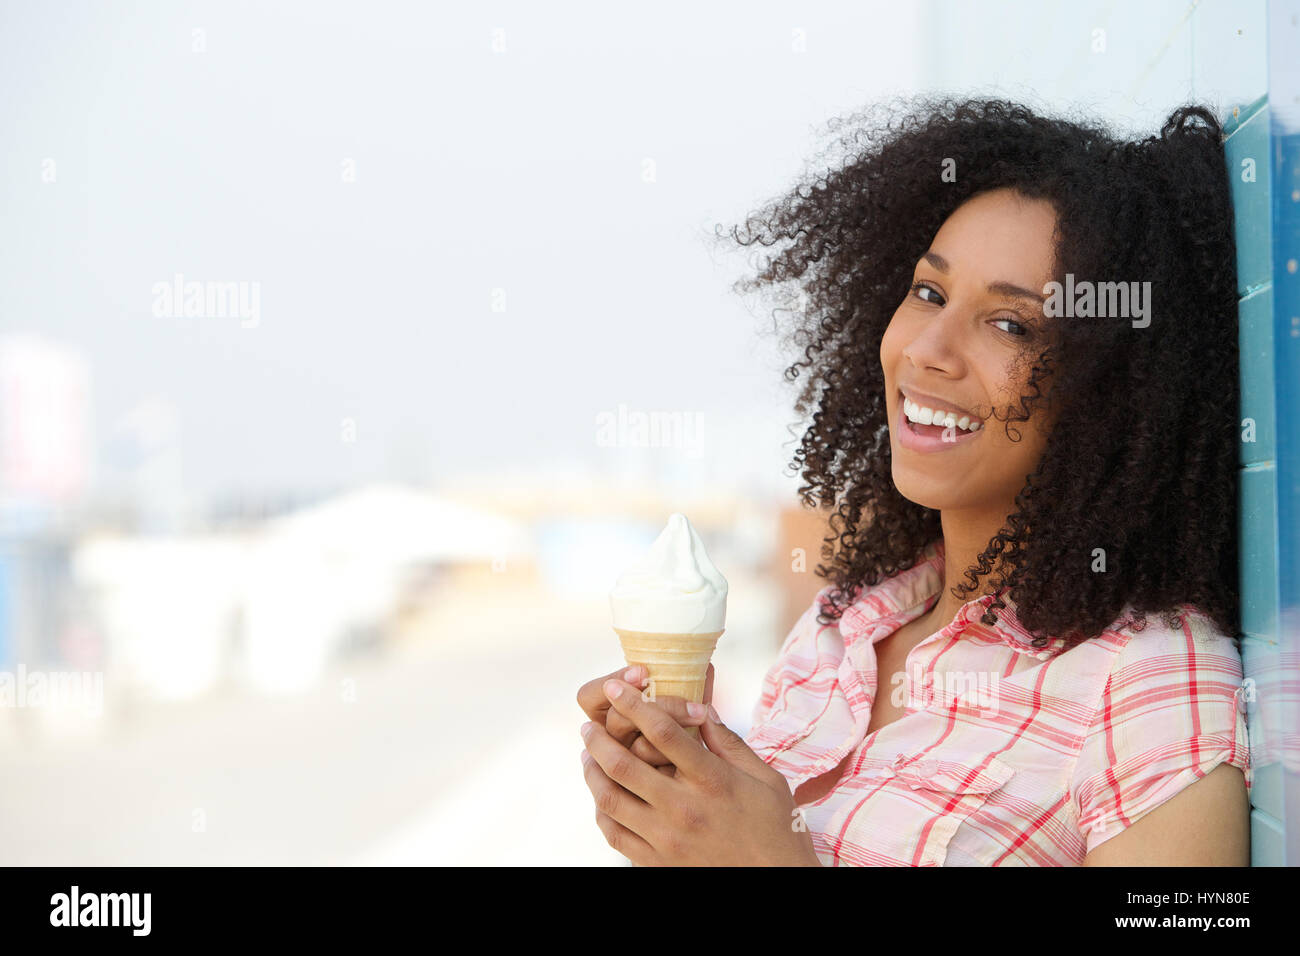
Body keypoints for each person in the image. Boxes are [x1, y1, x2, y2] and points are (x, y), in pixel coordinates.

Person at [576, 96, 1252, 866]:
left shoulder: (1149, 684)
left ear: (1116, 387)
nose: (927, 348)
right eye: (929, 293)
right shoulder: (842, 628)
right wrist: (672, 801)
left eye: (1011, 324)